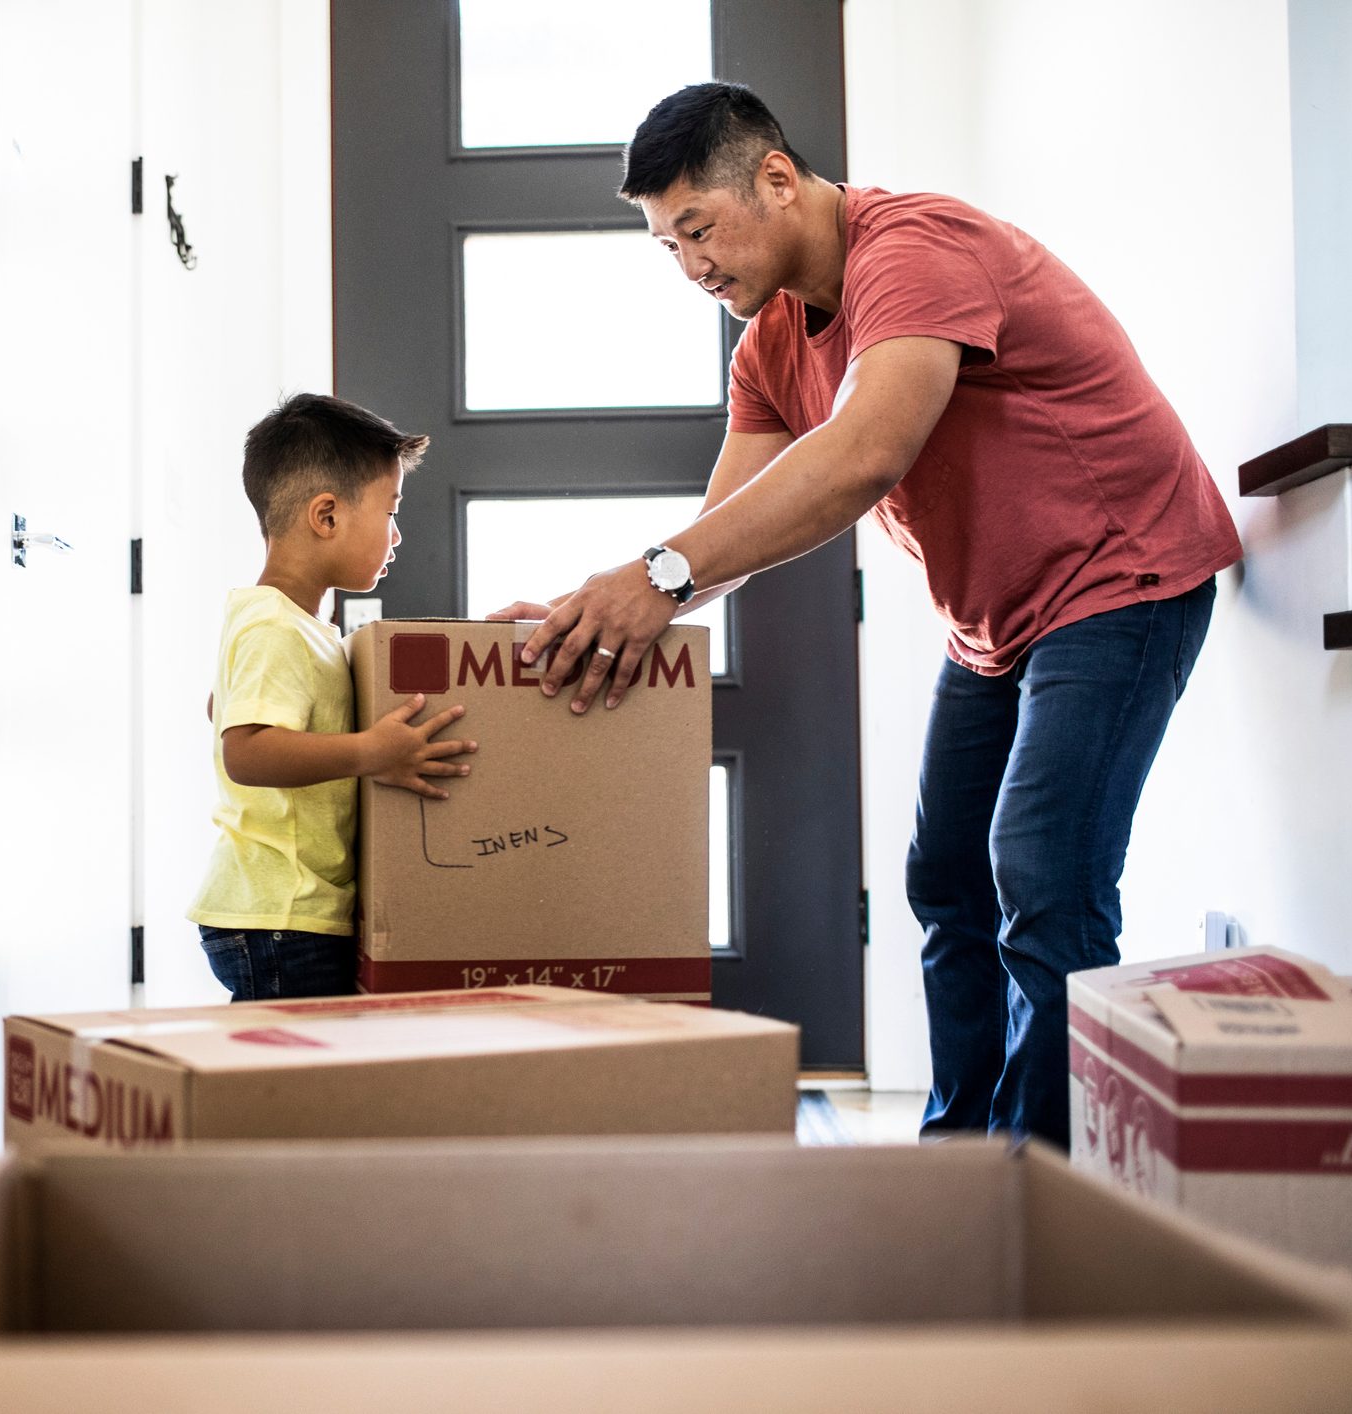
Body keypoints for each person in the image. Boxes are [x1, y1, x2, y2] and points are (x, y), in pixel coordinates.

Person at [492, 84, 1239, 1147]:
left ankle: (1039, 1176)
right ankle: (959, 1154)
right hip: (997, 620)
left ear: (779, 180)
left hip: (1125, 577)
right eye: (669, 248)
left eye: (699, 229)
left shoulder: (915, 248)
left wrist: (653, 576)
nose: (693, 266)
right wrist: (596, 607)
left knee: (1040, 868)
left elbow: (862, 455)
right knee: (946, 878)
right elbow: (721, 537)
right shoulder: (769, 347)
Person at [188, 393, 479, 1002]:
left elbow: (221, 709)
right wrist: (373, 751)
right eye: (390, 510)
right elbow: (245, 753)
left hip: (287, 910)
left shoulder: (293, 626)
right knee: (293, 1086)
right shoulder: (273, 624)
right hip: (280, 915)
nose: (397, 534)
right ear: (326, 516)